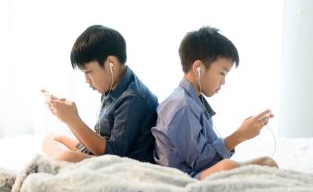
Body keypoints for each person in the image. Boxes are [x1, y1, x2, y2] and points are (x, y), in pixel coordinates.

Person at [151, 26, 278, 180]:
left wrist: (243, 132)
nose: (223, 82)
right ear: (198, 68)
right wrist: (239, 135)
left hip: (199, 170)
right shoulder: (181, 106)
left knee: (268, 162)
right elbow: (199, 162)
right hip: (185, 177)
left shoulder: (194, 101)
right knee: (228, 166)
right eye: (222, 73)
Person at [42, 25, 158, 163]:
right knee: (52, 138)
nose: (86, 80)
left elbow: (113, 154)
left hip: (120, 164)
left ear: (111, 63)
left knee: (65, 157)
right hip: (100, 154)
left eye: (88, 72)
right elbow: (98, 138)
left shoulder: (133, 98)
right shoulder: (113, 86)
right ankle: (61, 163)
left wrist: (73, 120)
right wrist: (68, 118)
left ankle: (59, 163)